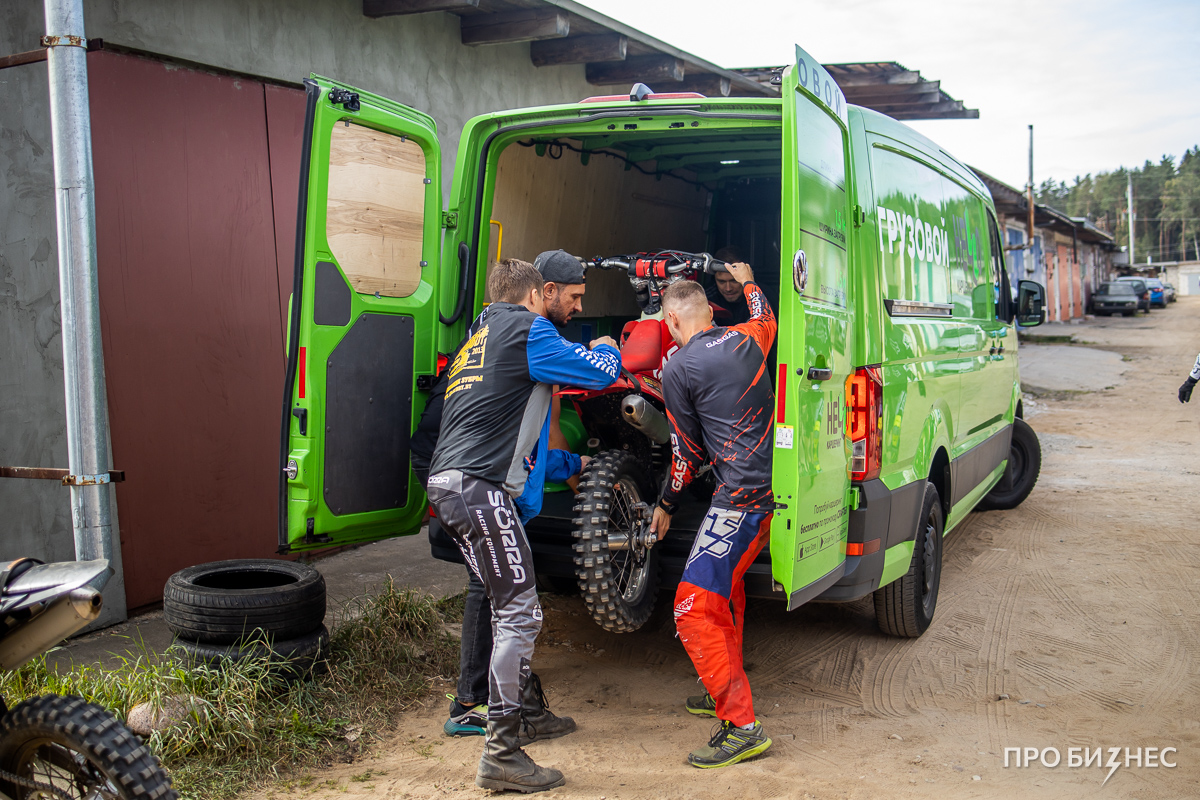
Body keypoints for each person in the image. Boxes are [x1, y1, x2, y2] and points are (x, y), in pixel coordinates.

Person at [426, 258, 620, 793]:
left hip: (451, 486)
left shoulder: (479, 335)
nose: (571, 308)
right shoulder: (525, 326)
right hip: (477, 488)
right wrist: (606, 343)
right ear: (537, 295)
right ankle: (502, 754)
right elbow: (600, 372)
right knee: (520, 614)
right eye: (566, 298)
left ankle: (523, 712)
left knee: (503, 600)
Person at [649, 261, 776, 769]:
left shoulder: (678, 367)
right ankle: (718, 687)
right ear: (709, 312)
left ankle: (742, 726)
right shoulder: (748, 338)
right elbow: (767, 316)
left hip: (740, 500)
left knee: (693, 606)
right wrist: (748, 281)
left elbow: (686, 454)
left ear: (674, 322)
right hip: (763, 492)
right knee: (727, 592)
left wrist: (664, 504)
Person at [705, 246, 752, 325]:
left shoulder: (762, 297)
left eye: (734, 281)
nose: (728, 288)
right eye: (721, 282)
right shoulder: (705, 299)